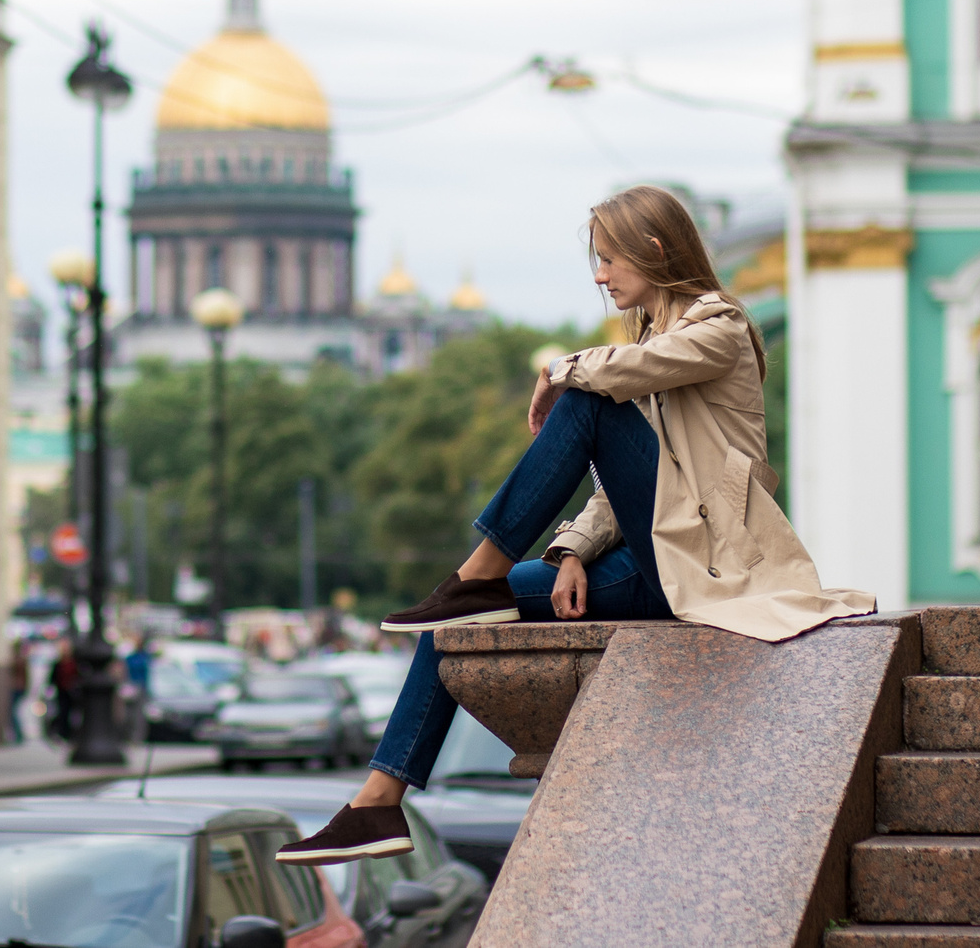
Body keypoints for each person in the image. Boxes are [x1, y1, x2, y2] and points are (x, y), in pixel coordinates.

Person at [277, 186, 874, 866]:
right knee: (451, 627)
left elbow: (627, 388)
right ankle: (378, 803)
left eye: (609, 258)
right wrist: (568, 550)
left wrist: (560, 370)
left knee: (590, 399)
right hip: (655, 563)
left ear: (653, 250)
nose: (600, 275)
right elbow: (633, 487)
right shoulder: (652, 341)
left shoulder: (720, 328)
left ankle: (479, 572)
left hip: (711, 567)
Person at [4, 639, 29, 744]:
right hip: (19, 688)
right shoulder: (22, 660)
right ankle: (18, 735)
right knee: (14, 712)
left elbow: (23, 676)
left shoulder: (18, 660)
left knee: (14, 712)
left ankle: (19, 735)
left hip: (17, 688)